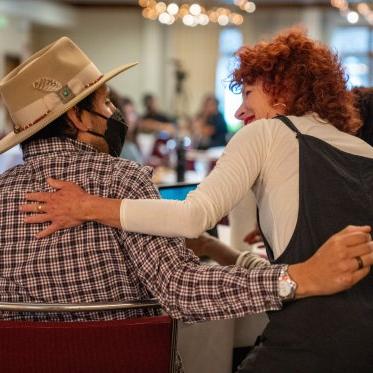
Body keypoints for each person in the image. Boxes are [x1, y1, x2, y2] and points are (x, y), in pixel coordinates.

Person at [1, 37, 371, 373]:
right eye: (106, 101)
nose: (115, 112)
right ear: (76, 116)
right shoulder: (120, 179)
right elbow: (182, 289)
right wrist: (294, 278)